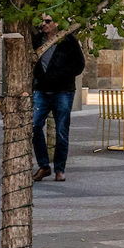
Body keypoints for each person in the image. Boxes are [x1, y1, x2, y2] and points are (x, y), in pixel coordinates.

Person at [31, 18, 85, 183]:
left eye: (48, 21)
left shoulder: (68, 41)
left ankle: (60, 169)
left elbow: (79, 65)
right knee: (34, 126)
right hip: (41, 90)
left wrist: (61, 74)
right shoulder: (37, 40)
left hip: (63, 91)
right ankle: (44, 165)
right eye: (41, 22)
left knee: (62, 131)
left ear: (57, 23)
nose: (44, 24)